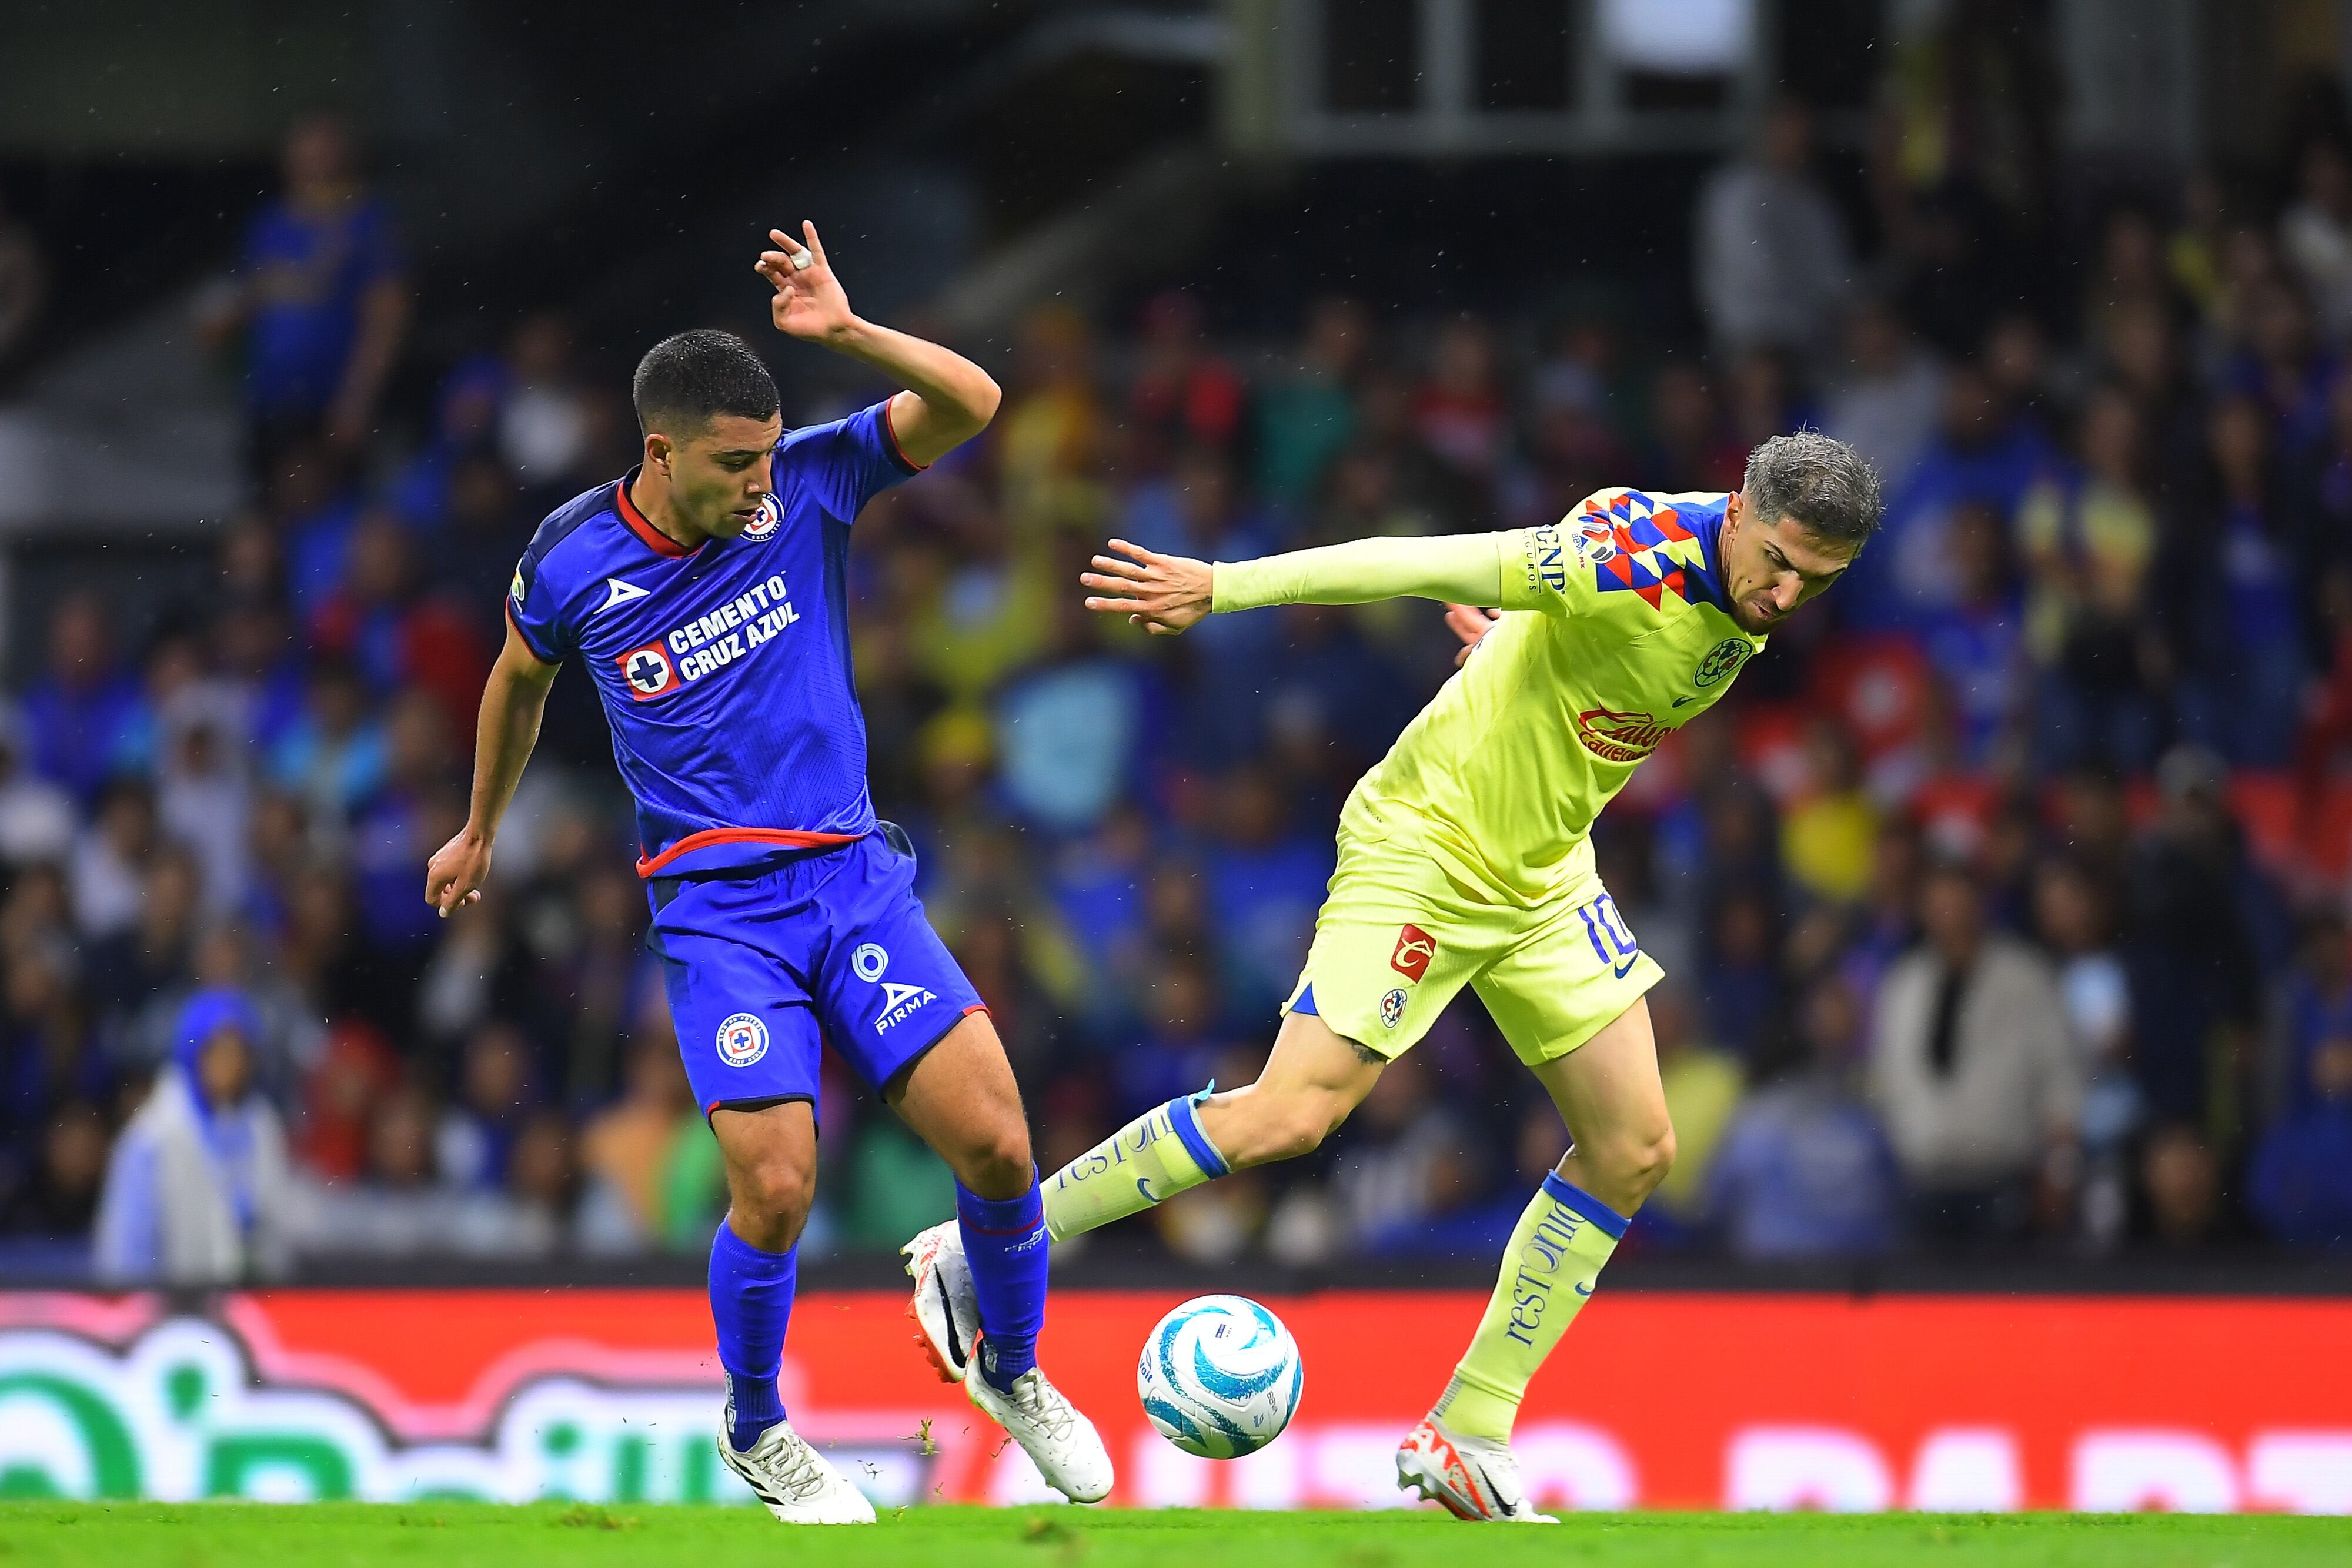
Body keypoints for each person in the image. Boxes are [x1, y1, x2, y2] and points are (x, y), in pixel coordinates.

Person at [907, 431, 1885, 1520]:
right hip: (1425, 845)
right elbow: (1408, 561)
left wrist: (1515, 639)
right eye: (1781, 562)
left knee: (1635, 1148)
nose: (1788, 593)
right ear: (1743, 508)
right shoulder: (1625, 551)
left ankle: (1468, 1431)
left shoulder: (1748, 587)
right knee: (1290, 1114)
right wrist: (1224, 587)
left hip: (1543, 873)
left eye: (1819, 581)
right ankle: (985, 1246)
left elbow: (1594, 667)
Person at [423, 224, 1108, 1524]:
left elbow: (974, 402)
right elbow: (518, 679)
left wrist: (847, 332)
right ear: (659, 451)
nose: (755, 485)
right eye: (731, 463)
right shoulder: (571, 560)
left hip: (852, 879)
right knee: (778, 1184)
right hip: (717, 911)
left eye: (763, 455)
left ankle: (1010, 1367)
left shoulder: (809, 480)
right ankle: (755, 1429)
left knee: (1002, 1145)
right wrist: (480, 828)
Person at [91, 989, 293, 1285]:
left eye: (239, 1053)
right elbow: (126, 1248)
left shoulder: (262, 1125)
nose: (230, 1066)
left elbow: (279, 1228)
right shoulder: (153, 1135)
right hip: (172, 1309)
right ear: (193, 1054)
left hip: (250, 1303)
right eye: (219, 1052)